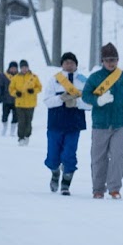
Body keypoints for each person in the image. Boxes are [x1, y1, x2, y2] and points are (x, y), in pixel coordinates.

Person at [82, 42, 123, 199]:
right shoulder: (95, 77)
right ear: (102, 61)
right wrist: (98, 100)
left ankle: (114, 188)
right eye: (108, 60)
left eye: (113, 60)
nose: (111, 63)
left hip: (120, 123)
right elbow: (86, 95)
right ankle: (98, 189)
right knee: (98, 158)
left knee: (118, 155)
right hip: (100, 124)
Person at [42, 52, 88, 194]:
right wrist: (61, 99)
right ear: (62, 64)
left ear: (76, 64)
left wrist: (77, 103)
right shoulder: (54, 80)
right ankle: (55, 173)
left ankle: (66, 184)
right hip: (56, 123)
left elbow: (90, 104)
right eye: (66, 62)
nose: (69, 65)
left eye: (72, 62)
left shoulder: (83, 81)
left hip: (74, 124)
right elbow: (47, 101)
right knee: (52, 156)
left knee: (69, 155)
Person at [8, 59, 42, 145]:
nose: (24, 69)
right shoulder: (16, 78)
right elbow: (11, 89)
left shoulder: (34, 77)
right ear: (20, 68)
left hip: (30, 103)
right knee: (21, 121)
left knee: (28, 121)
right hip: (20, 103)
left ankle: (27, 135)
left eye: (26, 67)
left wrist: (33, 91)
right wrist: (16, 93)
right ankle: (20, 137)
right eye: (22, 67)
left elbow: (39, 87)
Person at [0, 61, 18, 135]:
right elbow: (0, 86)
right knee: (4, 115)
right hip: (6, 99)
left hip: (16, 100)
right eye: (12, 68)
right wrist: (0, 96)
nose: (13, 70)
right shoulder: (4, 76)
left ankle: (12, 130)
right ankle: (4, 127)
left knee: (15, 116)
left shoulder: (19, 76)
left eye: (15, 68)